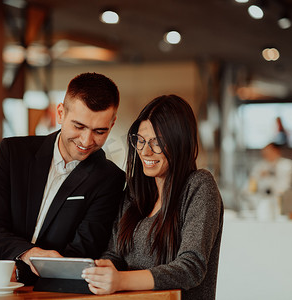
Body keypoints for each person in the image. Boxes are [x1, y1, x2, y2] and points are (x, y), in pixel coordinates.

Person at [0, 73, 125, 284]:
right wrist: (29, 254)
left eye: (99, 131)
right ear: (60, 113)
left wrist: (18, 272)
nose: (87, 141)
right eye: (79, 126)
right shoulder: (13, 153)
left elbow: (81, 254)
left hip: (50, 286)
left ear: (112, 124)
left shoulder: (109, 178)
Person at [82, 95, 224, 300]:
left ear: (179, 142)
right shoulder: (135, 191)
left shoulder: (199, 185)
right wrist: (106, 268)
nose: (145, 151)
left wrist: (121, 280)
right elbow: (114, 254)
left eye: (157, 142)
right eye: (140, 141)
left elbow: (191, 268)